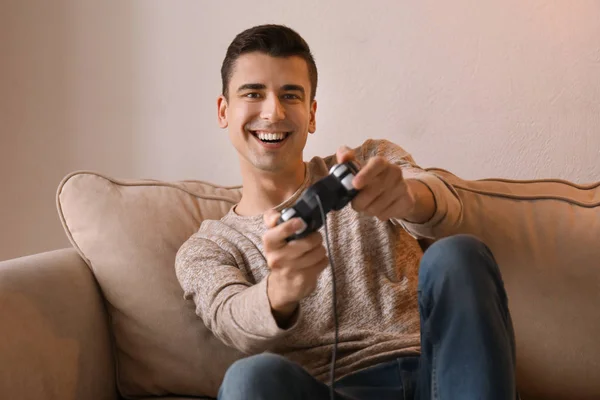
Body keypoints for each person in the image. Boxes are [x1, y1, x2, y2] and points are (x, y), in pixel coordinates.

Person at [175, 24, 517, 400]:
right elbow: (233, 322)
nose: (273, 111)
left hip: (441, 378)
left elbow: (446, 205)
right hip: (328, 389)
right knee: (249, 379)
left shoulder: (369, 163)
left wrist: (408, 198)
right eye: (253, 93)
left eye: (291, 95)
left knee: (458, 253)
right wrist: (280, 290)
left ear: (312, 114)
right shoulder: (208, 247)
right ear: (224, 110)